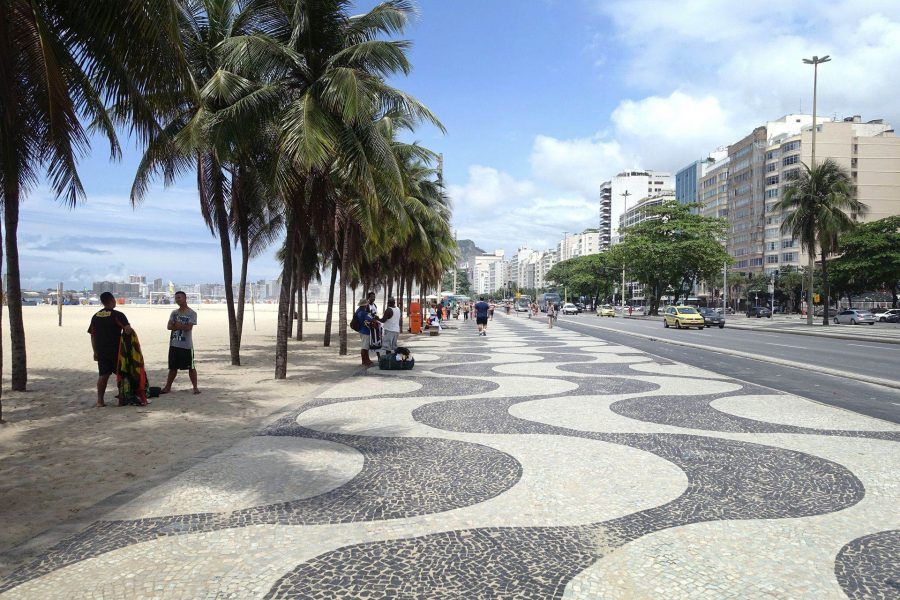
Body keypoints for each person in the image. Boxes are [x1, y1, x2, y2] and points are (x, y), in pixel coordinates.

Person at [88, 292, 132, 407]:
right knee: (121, 375)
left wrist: (95, 351)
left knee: (103, 375)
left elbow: (92, 336)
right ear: (112, 300)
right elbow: (127, 330)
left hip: (101, 351)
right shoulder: (118, 315)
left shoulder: (96, 316)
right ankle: (121, 400)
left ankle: (100, 401)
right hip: (116, 350)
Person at [161, 291, 200, 394]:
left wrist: (178, 326)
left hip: (186, 345)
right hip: (174, 344)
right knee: (173, 368)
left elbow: (189, 328)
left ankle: (195, 387)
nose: (177, 300)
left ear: (185, 298)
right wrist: (177, 326)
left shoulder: (192, 313)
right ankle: (167, 387)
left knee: (191, 367)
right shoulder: (174, 313)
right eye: (176, 298)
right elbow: (169, 326)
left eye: (179, 297)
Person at [354, 299, 375, 366]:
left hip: (361, 330)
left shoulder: (358, 311)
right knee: (365, 347)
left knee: (365, 346)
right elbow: (369, 319)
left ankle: (367, 359)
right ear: (365, 305)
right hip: (365, 331)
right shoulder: (363, 312)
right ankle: (364, 361)